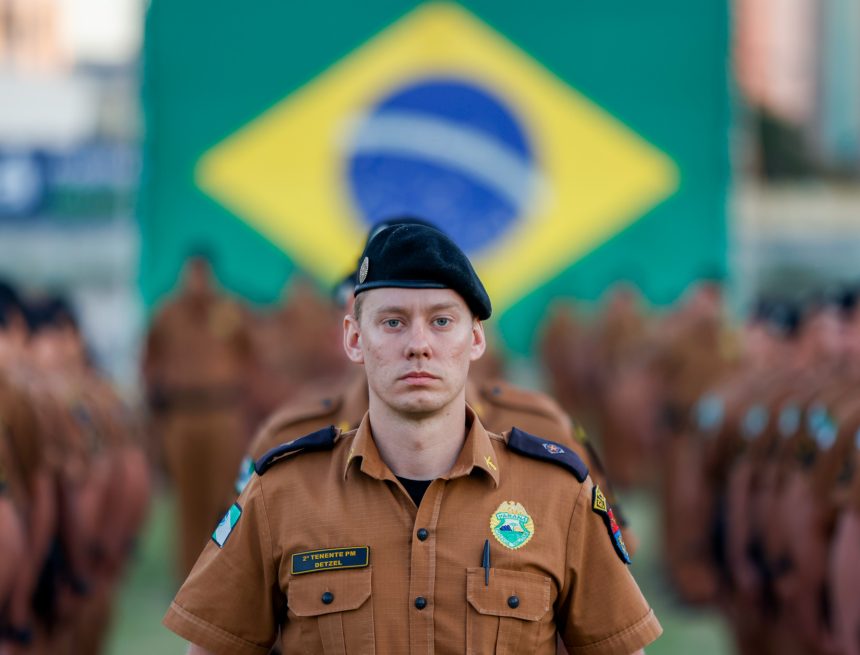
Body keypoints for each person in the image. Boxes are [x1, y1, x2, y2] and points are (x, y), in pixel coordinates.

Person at [164, 224, 661, 654]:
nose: (418, 345)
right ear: (355, 338)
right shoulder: (281, 495)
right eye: (393, 322)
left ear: (476, 340)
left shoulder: (558, 497)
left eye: (442, 321)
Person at [143, 250, 255, 578]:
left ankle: (222, 574)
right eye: (191, 275)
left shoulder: (230, 311)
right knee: (187, 499)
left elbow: (250, 359)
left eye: (202, 275)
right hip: (182, 415)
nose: (197, 283)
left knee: (225, 495)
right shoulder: (167, 314)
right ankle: (189, 578)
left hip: (223, 413)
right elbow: (150, 360)